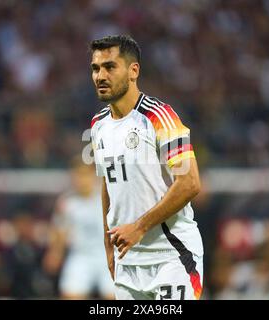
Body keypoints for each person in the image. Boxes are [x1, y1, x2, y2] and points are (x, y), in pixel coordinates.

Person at [89, 35, 204, 300]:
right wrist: (108, 245)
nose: (100, 75)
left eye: (109, 67)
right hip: (128, 261)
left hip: (172, 255)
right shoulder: (97, 125)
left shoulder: (160, 116)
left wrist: (139, 227)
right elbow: (108, 183)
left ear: (133, 71)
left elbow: (190, 183)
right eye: (96, 68)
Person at [43, 158, 114, 299]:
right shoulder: (67, 202)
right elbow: (60, 230)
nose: (82, 180)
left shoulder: (107, 197)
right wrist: (55, 252)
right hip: (80, 255)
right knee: (70, 295)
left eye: (85, 175)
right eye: (78, 175)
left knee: (115, 296)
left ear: (93, 175)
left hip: (107, 255)